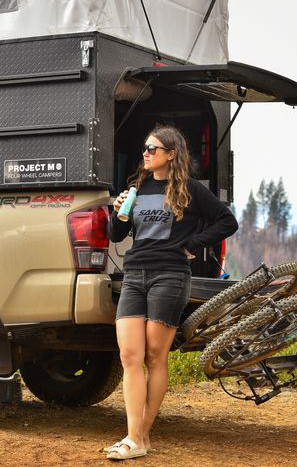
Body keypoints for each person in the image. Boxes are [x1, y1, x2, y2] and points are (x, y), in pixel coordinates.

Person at [105, 125, 238, 460]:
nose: (146, 154)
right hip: (134, 273)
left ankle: (137, 438)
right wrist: (118, 211)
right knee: (129, 356)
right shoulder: (137, 187)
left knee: (154, 356)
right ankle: (138, 439)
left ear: (171, 154)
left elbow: (226, 221)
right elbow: (116, 232)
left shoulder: (190, 189)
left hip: (170, 275)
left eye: (152, 149)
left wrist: (191, 244)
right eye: (145, 149)